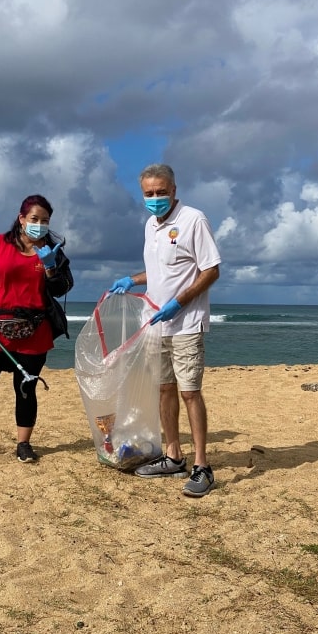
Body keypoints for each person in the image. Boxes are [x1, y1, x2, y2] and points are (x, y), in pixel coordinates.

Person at [110, 164, 221, 497]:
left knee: (190, 392)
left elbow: (211, 269)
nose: (155, 199)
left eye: (161, 192)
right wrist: (134, 279)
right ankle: (173, 455)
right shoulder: (150, 225)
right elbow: (160, 270)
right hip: (155, 322)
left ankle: (202, 466)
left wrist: (179, 301)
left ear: (174, 189)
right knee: (164, 390)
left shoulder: (193, 220)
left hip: (186, 323)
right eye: (149, 194)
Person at [0, 194, 73, 463]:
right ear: (21, 219)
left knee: (25, 388)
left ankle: (23, 444)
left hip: (34, 333)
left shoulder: (52, 252)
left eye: (45, 220)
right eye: (34, 219)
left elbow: (62, 288)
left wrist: (51, 268)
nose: (39, 224)